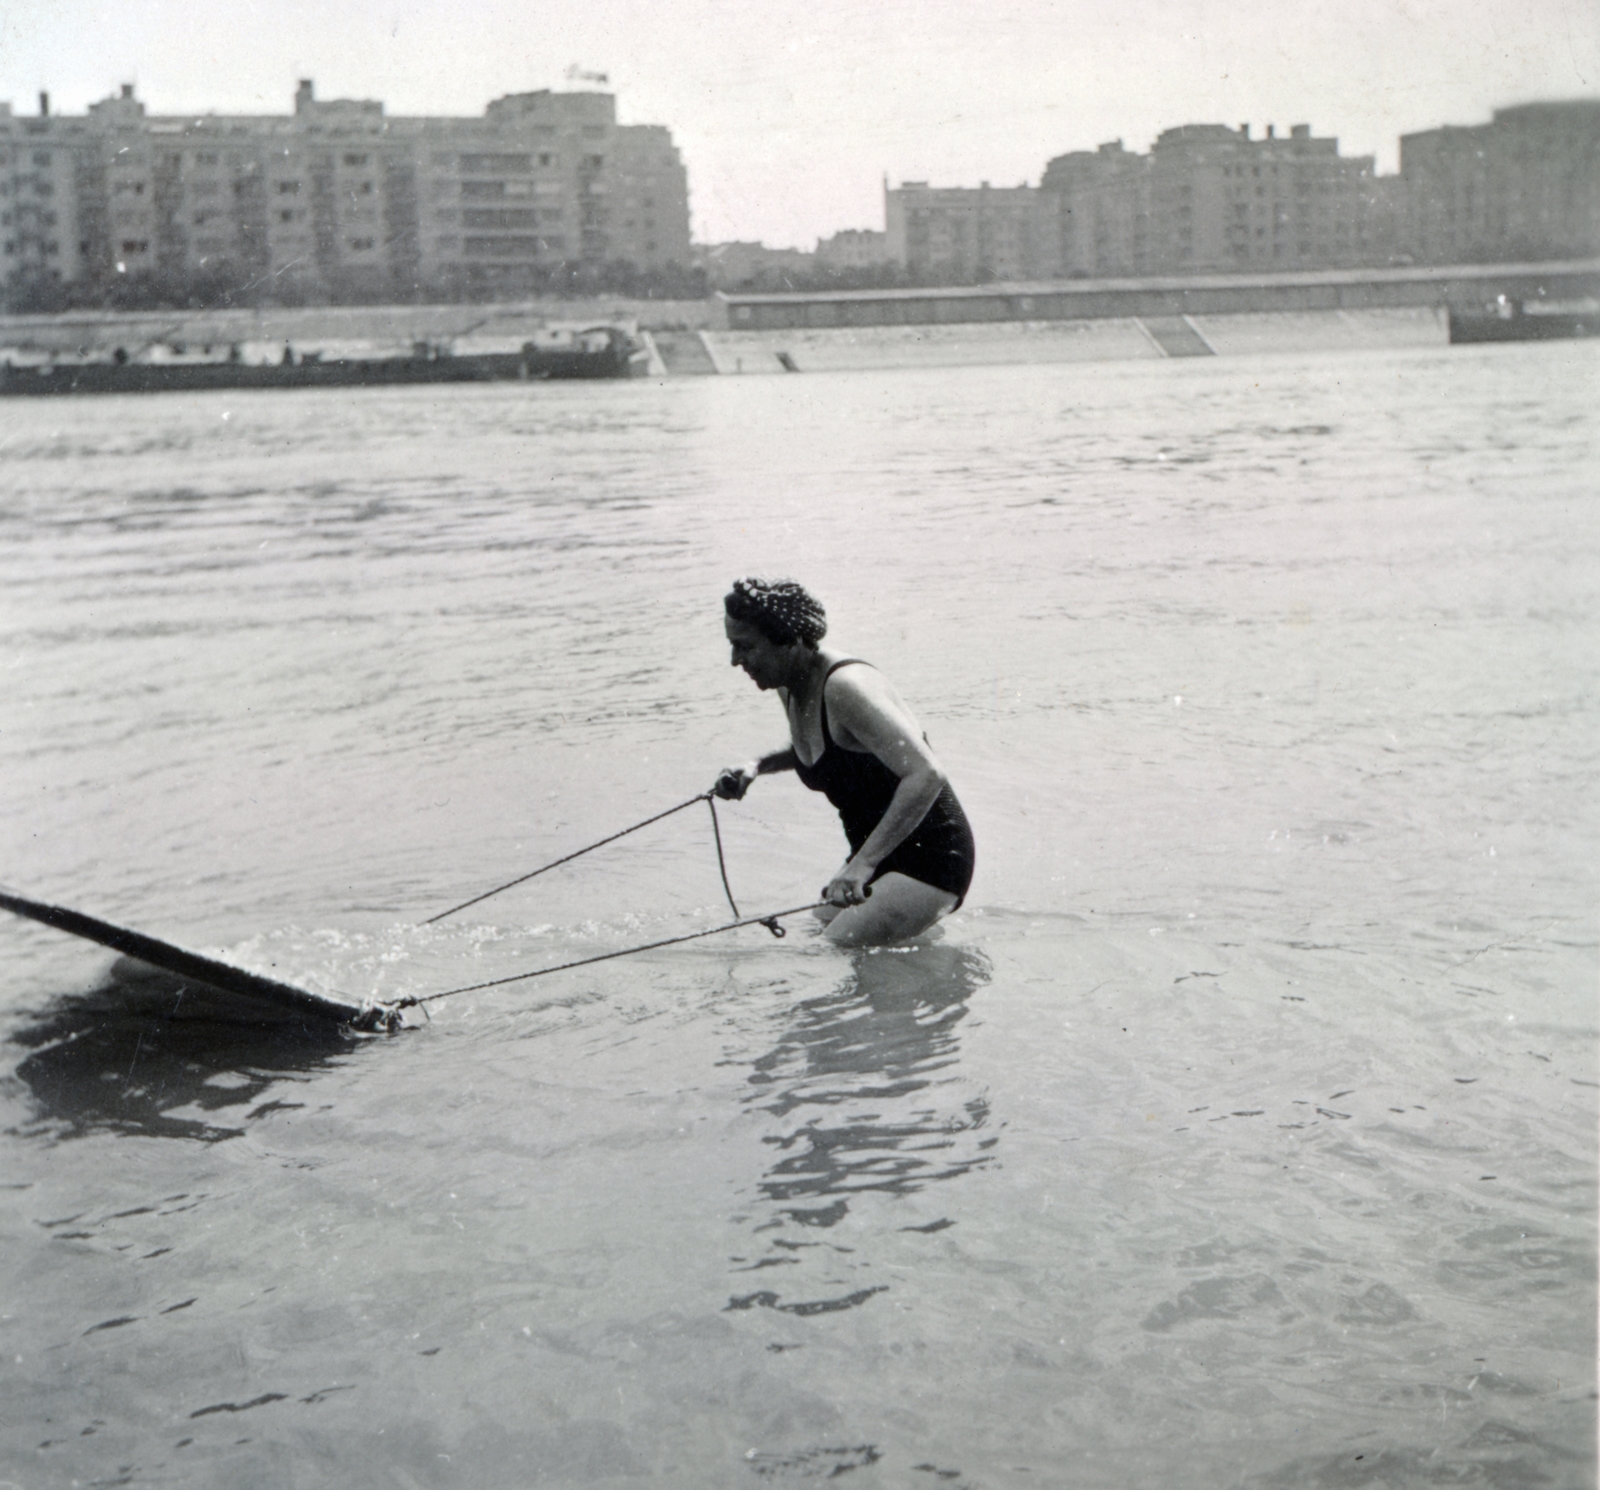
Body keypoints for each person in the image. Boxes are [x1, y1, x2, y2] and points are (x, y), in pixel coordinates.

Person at [714, 578, 975, 947]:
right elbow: (830, 749)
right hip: (876, 855)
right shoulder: (789, 682)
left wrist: (862, 866)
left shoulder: (845, 687)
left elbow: (926, 773)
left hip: (931, 859)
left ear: (789, 640)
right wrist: (757, 765)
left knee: (828, 954)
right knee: (814, 931)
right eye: (732, 646)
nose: (735, 660)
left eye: (745, 647)